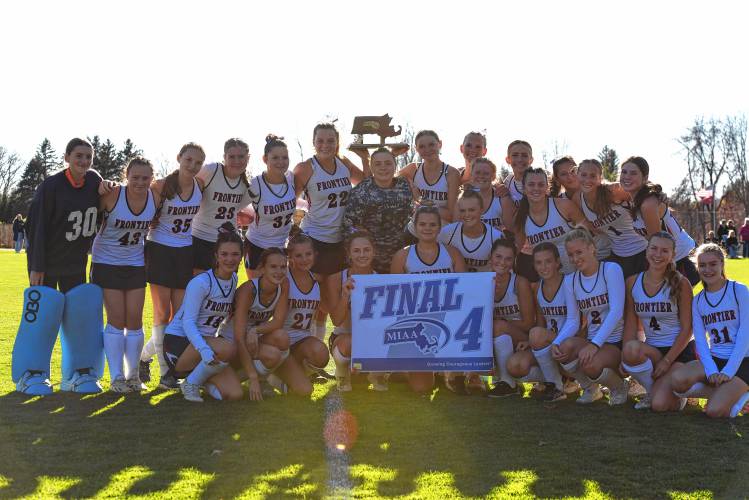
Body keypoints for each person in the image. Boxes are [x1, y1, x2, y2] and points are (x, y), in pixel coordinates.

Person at [140, 143, 205, 389]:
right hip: (160, 249)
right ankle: (166, 374)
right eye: (188, 160)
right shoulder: (162, 186)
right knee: (161, 314)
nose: (193, 166)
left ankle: (143, 358)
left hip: (184, 251)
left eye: (198, 162)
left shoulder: (199, 186)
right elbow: (144, 213)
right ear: (179, 158)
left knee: (180, 317)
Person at [294, 123, 367, 342]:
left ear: (337, 143)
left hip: (337, 241)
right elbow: (287, 201)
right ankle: (302, 351)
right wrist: (290, 232)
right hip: (313, 239)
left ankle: (319, 354)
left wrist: (365, 158)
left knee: (330, 303)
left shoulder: (343, 163)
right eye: (321, 140)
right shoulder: (306, 168)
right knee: (309, 300)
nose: (326, 145)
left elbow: (365, 182)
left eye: (331, 140)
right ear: (314, 142)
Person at [91, 157, 157, 393]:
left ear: (152, 178)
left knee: (135, 320)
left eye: (145, 178)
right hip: (106, 262)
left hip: (135, 263)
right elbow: (88, 211)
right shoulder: (112, 194)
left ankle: (133, 377)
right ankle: (117, 377)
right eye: (135, 177)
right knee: (117, 320)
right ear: (126, 175)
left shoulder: (155, 197)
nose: (140, 182)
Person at [390, 206, 466, 393]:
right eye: (422, 224)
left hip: (448, 321)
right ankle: (407, 368)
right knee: (422, 388)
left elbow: (465, 290)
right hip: (419, 326)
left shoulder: (452, 253)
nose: (427, 228)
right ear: (414, 227)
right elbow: (394, 297)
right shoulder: (403, 256)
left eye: (432, 224)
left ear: (440, 228)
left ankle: (452, 372)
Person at [163, 225, 243, 402]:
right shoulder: (201, 282)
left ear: (241, 256)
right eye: (224, 254)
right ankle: (190, 383)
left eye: (235, 254)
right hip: (180, 343)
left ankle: (201, 380)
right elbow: (188, 322)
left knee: (234, 394)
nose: (229, 259)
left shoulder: (234, 279)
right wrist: (204, 349)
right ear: (216, 256)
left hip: (205, 345)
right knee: (228, 348)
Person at [670, 244, 749, 418]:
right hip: (716, 358)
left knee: (714, 411)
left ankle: (741, 395)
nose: (708, 269)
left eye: (713, 264)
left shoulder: (739, 290)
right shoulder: (698, 301)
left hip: (743, 360)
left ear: (722, 263)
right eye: (702, 265)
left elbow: (745, 335)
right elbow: (700, 340)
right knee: (676, 381)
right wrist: (712, 370)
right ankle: (723, 392)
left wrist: (727, 372)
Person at [553, 227, 629, 405]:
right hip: (593, 340)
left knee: (590, 364)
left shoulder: (610, 269)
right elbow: (573, 320)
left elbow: (617, 311)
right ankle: (591, 388)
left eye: (579, 252)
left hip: (615, 342)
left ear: (592, 248)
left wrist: (595, 344)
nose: (575, 259)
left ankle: (619, 387)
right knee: (564, 348)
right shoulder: (570, 280)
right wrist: (557, 341)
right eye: (571, 255)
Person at [621, 232, 695, 411]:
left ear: (673, 255)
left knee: (660, 405)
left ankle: (680, 393)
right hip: (653, 348)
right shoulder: (632, 282)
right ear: (646, 251)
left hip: (678, 351)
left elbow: (687, 329)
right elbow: (631, 324)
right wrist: (624, 356)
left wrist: (668, 361)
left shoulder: (681, 283)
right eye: (653, 248)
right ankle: (651, 390)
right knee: (630, 349)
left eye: (664, 251)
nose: (658, 255)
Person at [26, 138, 111, 291]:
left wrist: (109, 185)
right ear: (67, 157)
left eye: (88, 157)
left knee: (74, 314)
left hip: (76, 264)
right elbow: (36, 228)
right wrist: (36, 266)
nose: (84, 161)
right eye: (78, 155)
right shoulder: (50, 186)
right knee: (46, 313)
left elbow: (104, 209)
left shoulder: (93, 180)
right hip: (48, 263)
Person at [230, 248, 312, 397]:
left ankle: (268, 377)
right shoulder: (249, 290)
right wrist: (253, 377)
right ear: (262, 269)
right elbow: (238, 336)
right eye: (273, 267)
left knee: (282, 338)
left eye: (283, 267)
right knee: (272, 354)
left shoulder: (283, 285)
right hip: (233, 343)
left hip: (252, 339)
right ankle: (251, 378)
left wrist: (254, 330)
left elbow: (278, 322)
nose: (279, 271)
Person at [506, 242, 577, 402]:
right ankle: (556, 379)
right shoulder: (537, 287)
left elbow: (581, 322)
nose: (543, 267)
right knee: (515, 365)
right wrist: (531, 341)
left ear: (558, 262)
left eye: (548, 261)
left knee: (537, 335)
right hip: (549, 342)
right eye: (538, 262)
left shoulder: (570, 283)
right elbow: (541, 323)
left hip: (570, 344)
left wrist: (571, 344)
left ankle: (556, 387)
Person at [619, 156, 699, 285]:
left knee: (675, 303)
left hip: (682, 258)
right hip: (671, 258)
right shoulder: (634, 199)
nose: (627, 176)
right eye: (624, 172)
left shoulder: (647, 204)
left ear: (644, 178)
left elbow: (658, 245)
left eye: (633, 173)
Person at [342, 147, 416, 274]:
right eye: (378, 164)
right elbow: (349, 226)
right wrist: (361, 243)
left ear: (395, 165)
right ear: (371, 167)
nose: (383, 167)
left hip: (403, 256)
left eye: (388, 163)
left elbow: (414, 213)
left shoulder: (405, 186)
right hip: (371, 261)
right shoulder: (361, 192)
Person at [576, 159, 648, 278]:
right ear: (577, 175)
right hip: (618, 256)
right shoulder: (578, 200)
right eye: (583, 175)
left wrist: (659, 194)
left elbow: (643, 190)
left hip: (642, 249)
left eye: (593, 176)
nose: (587, 180)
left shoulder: (613, 191)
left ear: (600, 178)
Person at [328, 231, 380, 392]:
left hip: (369, 337)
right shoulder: (336, 278)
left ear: (374, 251)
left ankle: (375, 373)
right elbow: (336, 320)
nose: (362, 255)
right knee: (350, 342)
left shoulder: (381, 279)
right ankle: (343, 372)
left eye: (366, 250)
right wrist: (345, 295)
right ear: (349, 254)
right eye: (356, 251)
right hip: (343, 339)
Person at [191, 138, 252, 273]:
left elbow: (237, 209)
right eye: (232, 157)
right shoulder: (211, 170)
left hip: (227, 243)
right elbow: (189, 191)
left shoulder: (247, 185)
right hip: (201, 238)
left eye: (241, 156)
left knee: (226, 289)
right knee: (199, 286)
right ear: (224, 157)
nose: (236, 161)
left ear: (248, 158)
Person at [513, 167, 589, 274]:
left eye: (541, 184)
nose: (536, 188)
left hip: (578, 272)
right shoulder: (521, 217)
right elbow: (517, 249)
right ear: (524, 189)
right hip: (550, 279)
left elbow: (589, 235)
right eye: (531, 184)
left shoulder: (564, 205)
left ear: (547, 187)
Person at [486, 238, 535, 397]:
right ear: (490, 257)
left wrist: (503, 324)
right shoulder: (482, 281)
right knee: (495, 329)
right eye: (498, 257)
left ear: (514, 260)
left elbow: (528, 323)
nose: (502, 262)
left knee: (497, 327)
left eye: (508, 259)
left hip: (521, 338)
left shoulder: (519, 282)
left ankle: (508, 383)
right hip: (493, 338)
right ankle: (492, 380)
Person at [245, 135, 296, 278]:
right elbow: (235, 207)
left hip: (281, 246)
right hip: (257, 245)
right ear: (265, 159)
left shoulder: (292, 179)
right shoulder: (256, 184)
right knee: (256, 291)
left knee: (280, 291)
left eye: (285, 157)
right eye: (275, 158)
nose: (281, 162)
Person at [283, 234, 330, 385]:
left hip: (302, 343)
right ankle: (272, 373)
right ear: (290, 257)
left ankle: (300, 373)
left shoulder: (316, 280)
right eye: (298, 255)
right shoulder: (282, 278)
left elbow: (323, 310)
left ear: (314, 255)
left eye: (308, 254)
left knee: (320, 352)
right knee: (300, 389)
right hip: (280, 342)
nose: (304, 259)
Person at [398, 130, 460, 224]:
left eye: (431, 144)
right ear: (416, 149)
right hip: (416, 228)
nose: (427, 149)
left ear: (440, 144)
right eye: (422, 146)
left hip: (443, 230)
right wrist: (393, 154)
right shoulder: (413, 169)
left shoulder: (452, 173)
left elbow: (452, 215)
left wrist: (425, 205)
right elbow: (384, 179)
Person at [440, 190, 504, 273]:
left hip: (483, 284)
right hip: (457, 284)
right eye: (462, 211)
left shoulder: (496, 237)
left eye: (471, 210)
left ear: (482, 210)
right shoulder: (447, 233)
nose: (467, 214)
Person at [460, 157, 510, 229]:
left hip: (497, 240)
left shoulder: (503, 198)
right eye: (477, 172)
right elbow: (457, 229)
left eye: (486, 173)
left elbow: (511, 229)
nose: (481, 176)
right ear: (471, 175)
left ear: (493, 176)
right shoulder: (462, 199)